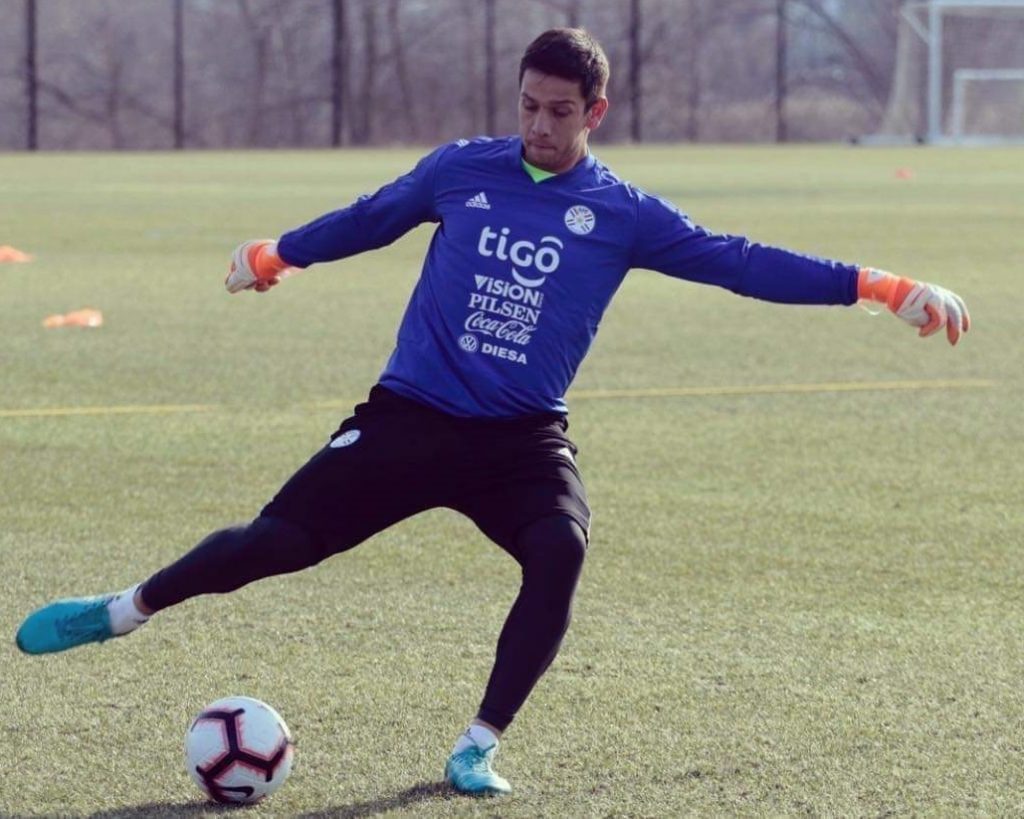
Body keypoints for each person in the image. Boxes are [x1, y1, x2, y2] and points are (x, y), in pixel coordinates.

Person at [15, 28, 969, 797]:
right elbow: (372, 216)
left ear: (595, 113)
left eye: (560, 112)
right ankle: (123, 609)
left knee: (560, 548)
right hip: (410, 417)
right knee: (277, 541)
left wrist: (882, 286)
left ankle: (476, 745)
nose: (539, 127)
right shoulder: (462, 170)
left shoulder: (623, 213)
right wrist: (277, 254)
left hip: (519, 440)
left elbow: (742, 262)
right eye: (528, 106)